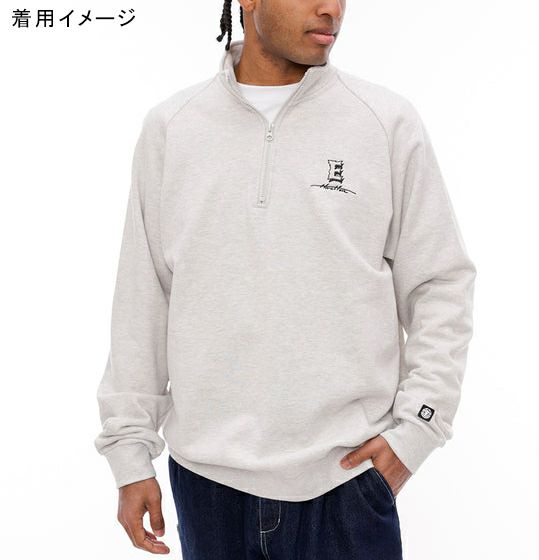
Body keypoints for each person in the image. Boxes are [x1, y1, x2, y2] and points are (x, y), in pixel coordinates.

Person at [93, 1, 477, 558]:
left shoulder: (385, 122)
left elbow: (439, 284)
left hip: (347, 480)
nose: (331, 9)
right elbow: (143, 297)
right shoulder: (173, 128)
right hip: (207, 485)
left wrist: (418, 429)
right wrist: (130, 453)